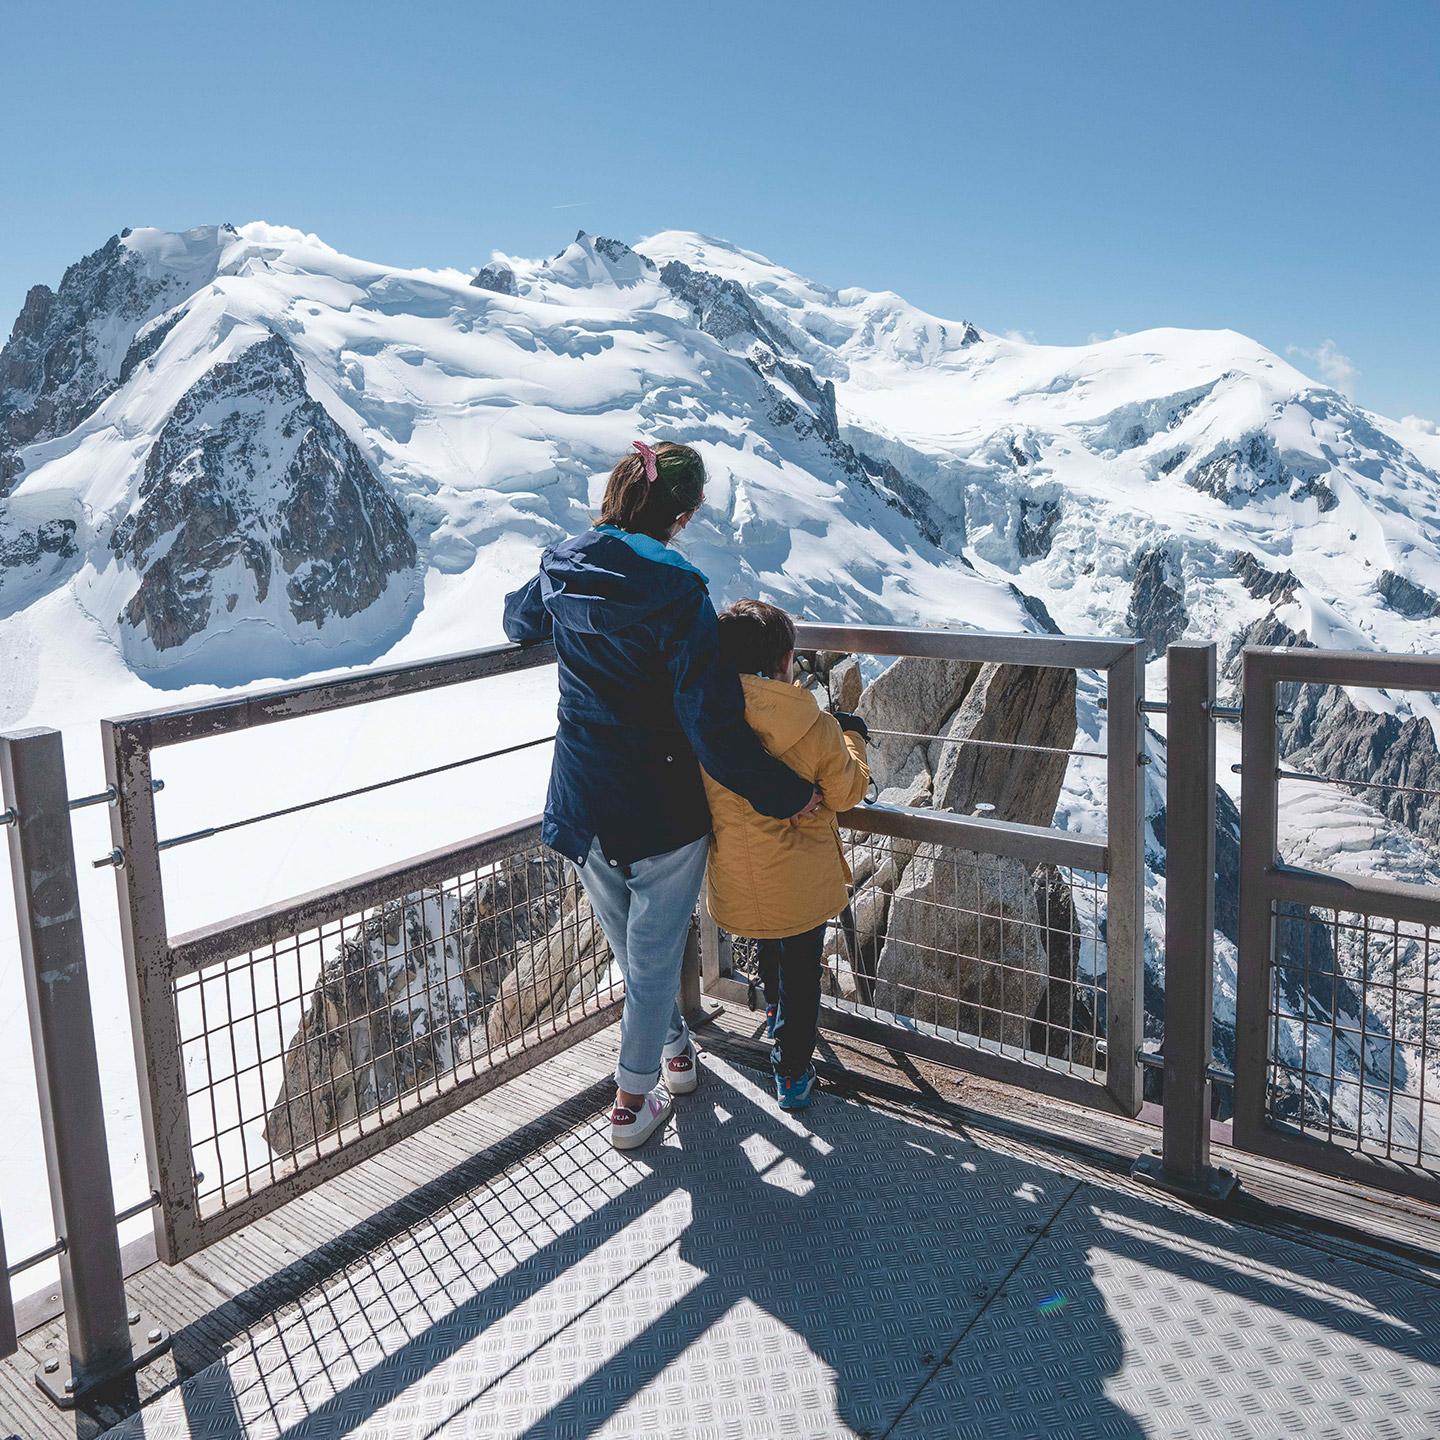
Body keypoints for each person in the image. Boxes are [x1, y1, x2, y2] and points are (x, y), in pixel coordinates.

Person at [503, 440, 820, 1150]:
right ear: (686, 513)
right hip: (659, 799)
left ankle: (675, 1057)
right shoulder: (679, 590)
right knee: (650, 958)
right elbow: (711, 723)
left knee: (631, 951)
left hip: (583, 792)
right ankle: (627, 1104)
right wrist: (783, 793)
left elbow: (519, 622)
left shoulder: (563, 562)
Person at [701, 599, 870, 1110]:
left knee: (771, 942)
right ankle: (793, 1072)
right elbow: (846, 792)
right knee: (803, 970)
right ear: (783, 662)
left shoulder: (708, 721)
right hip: (802, 882)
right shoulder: (814, 726)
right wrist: (854, 738)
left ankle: (772, 1010)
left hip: (736, 879)